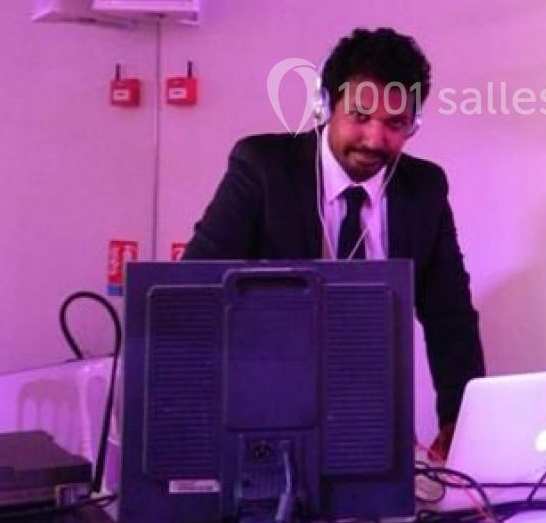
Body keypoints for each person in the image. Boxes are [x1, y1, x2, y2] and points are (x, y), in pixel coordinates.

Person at [184, 27, 485, 459]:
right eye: (360, 116)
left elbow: (449, 317)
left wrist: (460, 421)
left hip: (370, 416)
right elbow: (194, 289)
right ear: (325, 106)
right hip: (262, 410)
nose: (375, 140)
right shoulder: (263, 169)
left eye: (395, 124)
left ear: (413, 125)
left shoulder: (424, 189)